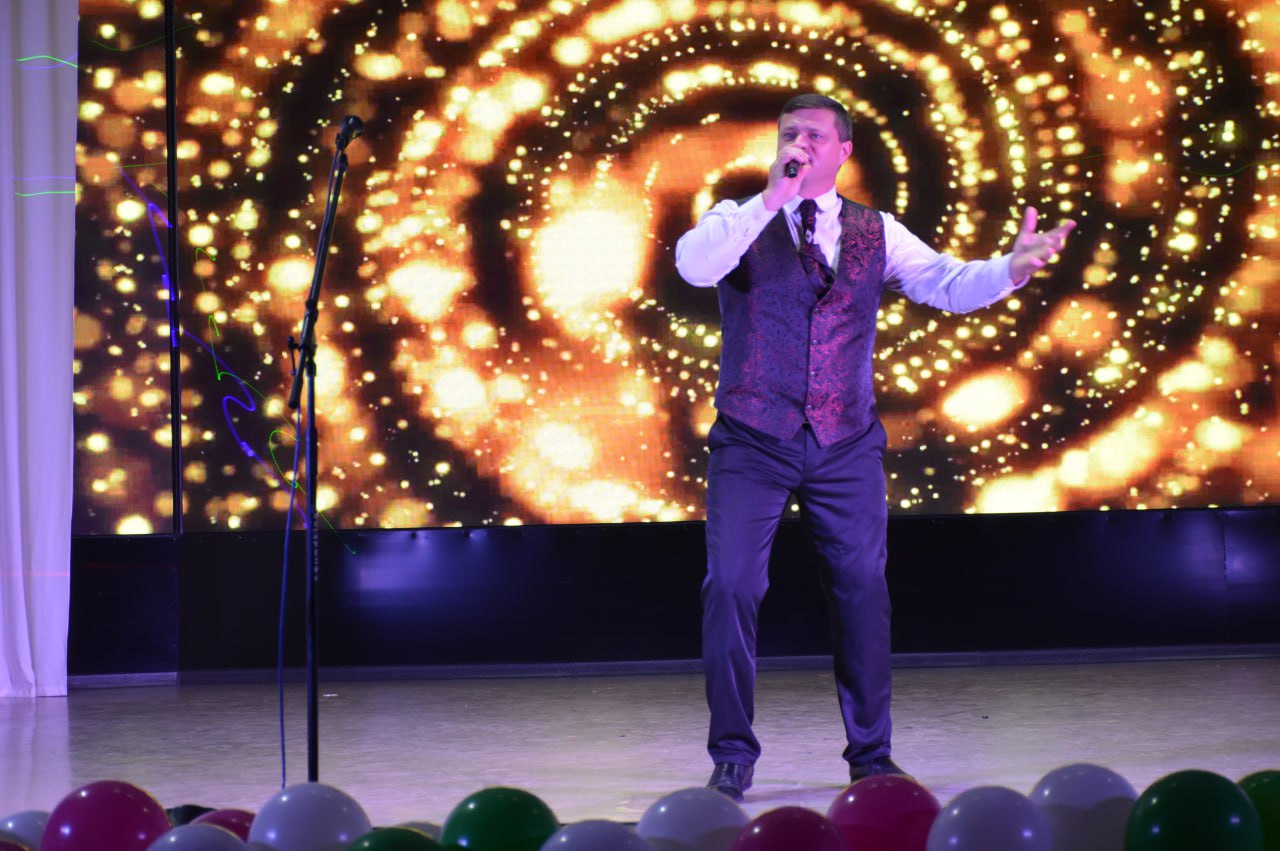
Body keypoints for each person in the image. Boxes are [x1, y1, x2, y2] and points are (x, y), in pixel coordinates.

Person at [674, 93, 1075, 801]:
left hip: (845, 442)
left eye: (813, 135)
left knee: (862, 589)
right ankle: (732, 753)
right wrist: (771, 199)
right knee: (731, 584)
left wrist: (1010, 269)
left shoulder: (875, 231)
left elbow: (946, 283)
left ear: (843, 151)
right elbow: (694, 267)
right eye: (789, 134)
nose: (798, 144)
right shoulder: (739, 218)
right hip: (753, 438)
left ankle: (871, 755)